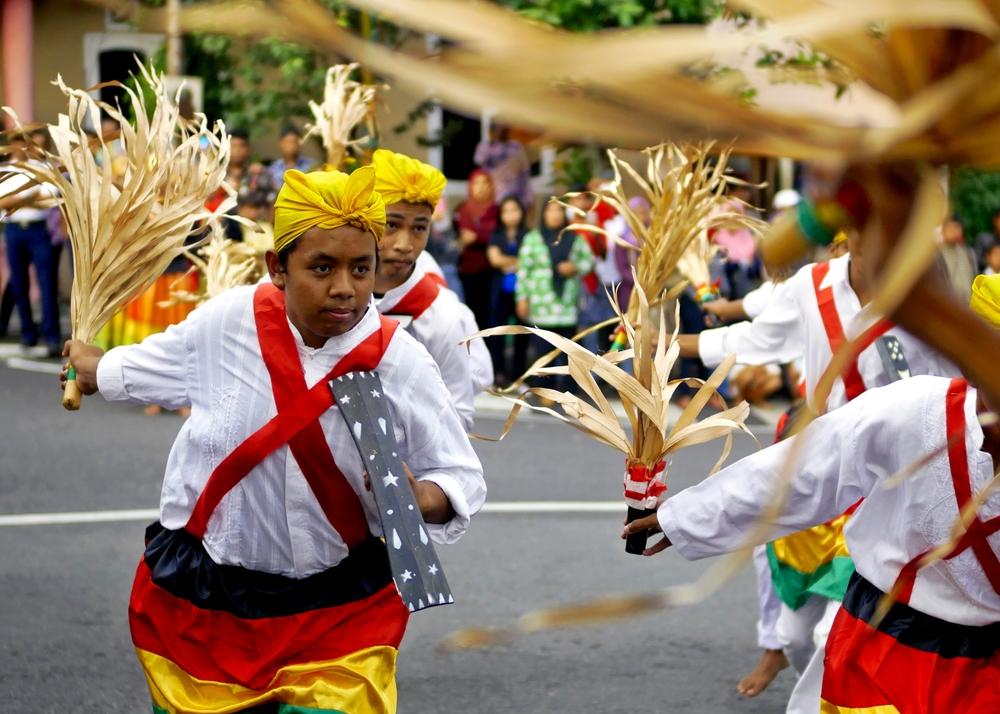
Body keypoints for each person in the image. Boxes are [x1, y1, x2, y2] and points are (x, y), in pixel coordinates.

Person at [61, 166, 486, 713]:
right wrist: (92, 368)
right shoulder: (224, 323)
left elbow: (460, 474)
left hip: (338, 611)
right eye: (322, 267)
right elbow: (146, 367)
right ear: (277, 268)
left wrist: (419, 496)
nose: (344, 287)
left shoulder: (398, 359)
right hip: (207, 602)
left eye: (362, 268)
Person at [624, 275, 1000, 713]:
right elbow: (803, 471)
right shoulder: (914, 410)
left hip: (985, 672)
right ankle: (777, 648)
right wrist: (686, 518)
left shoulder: (913, 291)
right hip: (884, 649)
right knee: (794, 607)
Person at [371, 148, 492, 430]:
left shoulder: (442, 314)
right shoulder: (338, 295)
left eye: (418, 228)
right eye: (391, 225)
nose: (404, 244)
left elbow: (459, 412)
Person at [515, 198, 594, 391]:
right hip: (541, 303)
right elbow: (524, 270)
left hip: (567, 303)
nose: (555, 214)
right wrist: (521, 298)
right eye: (550, 210)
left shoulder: (574, 239)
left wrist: (574, 267)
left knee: (570, 348)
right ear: (544, 214)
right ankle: (544, 389)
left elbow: (589, 261)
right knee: (543, 348)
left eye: (559, 210)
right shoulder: (533, 238)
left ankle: (568, 389)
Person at [0, 133, 61, 356]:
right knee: (18, 283)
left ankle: (51, 334)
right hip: (14, 229)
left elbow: (47, 200)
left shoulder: (41, 168)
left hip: (38, 229)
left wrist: (16, 201)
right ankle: (28, 333)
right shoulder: (5, 169)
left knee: (47, 283)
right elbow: (2, 202)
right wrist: (26, 198)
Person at [487, 195, 530, 386]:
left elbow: (531, 261)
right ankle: (498, 373)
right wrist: (517, 263)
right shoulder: (496, 235)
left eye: (515, 210)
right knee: (499, 333)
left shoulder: (529, 235)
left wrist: (509, 262)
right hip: (500, 291)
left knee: (522, 333)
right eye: (507, 211)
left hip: (523, 292)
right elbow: (495, 260)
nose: (511, 215)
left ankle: (519, 374)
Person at [456, 169, 499, 331]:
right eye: (476, 183)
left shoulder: (497, 210)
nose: (481, 188)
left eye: (484, 183)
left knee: (490, 315)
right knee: (470, 314)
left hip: (492, 271)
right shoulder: (464, 209)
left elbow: (495, 235)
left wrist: (478, 236)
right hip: (468, 270)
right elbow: (463, 235)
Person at [473, 123, 533, 210]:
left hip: (517, 197)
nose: (500, 132)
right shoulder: (485, 147)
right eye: (496, 130)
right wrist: (491, 144)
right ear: (490, 132)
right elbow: (478, 162)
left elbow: (525, 172)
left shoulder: (515, 146)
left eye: (503, 129)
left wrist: (528, 198)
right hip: (494, 199)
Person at [939, 217, 977, 303]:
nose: (954, 231)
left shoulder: (968, 253)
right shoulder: (935, 254)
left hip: (967, 304)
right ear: (943, 229)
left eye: (957, 227)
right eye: (951, 227)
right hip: (946, 304)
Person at [268, 125, 313, 189]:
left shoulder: (311, 166)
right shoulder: (273, 169)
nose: (291, 146)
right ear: (280, 143)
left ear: (300, 143)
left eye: (294, 142)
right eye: (287, 142)